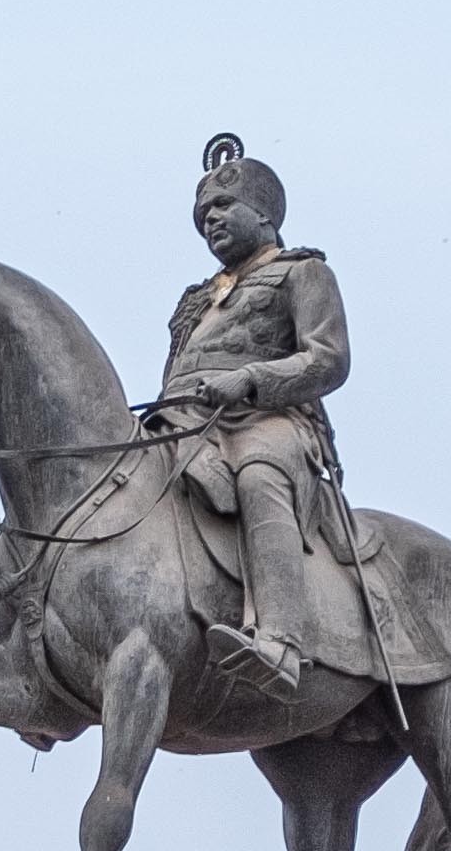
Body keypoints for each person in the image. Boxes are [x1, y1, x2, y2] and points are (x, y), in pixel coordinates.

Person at [143, 133, 371, 696]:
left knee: (259, 471)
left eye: (223, 207)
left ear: (264, 215)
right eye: (202, 216)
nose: (210, 221)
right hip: (187, 422)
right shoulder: (195, 299)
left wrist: (248, 380)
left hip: (268, 423)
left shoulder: (302, 273)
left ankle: (281, 643)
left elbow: (329, 359)